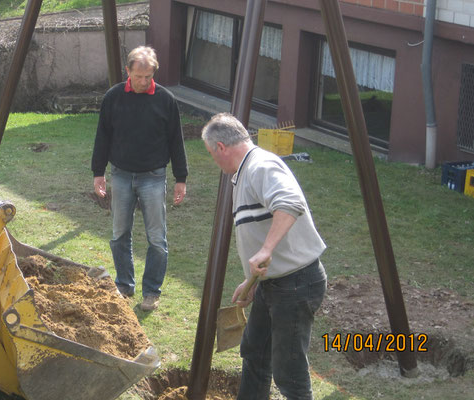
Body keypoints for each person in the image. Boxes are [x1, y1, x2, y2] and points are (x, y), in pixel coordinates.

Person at [201, 113, 327, 399]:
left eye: (211, 154)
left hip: (296, 284)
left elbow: (289, 203)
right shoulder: (244, 174)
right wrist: (253, 282)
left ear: (221, 147)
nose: (214, 162)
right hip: (273, 284)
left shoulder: (261, 166)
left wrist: (267, 250)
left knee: (289, 372)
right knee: (255, 353)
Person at [91, 46, 188, 312]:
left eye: (149, 76)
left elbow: (176, 141)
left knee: (157, 238)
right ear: (128, 71)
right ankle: (124, 285)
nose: (145, 81)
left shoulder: (165, 100)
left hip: (154, 177)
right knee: (119, 233)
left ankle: (152, 292)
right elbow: (103, 136)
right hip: (120, 174)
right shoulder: (113, 98)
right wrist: (98, 172)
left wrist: (181, 177)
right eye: (139, 76)